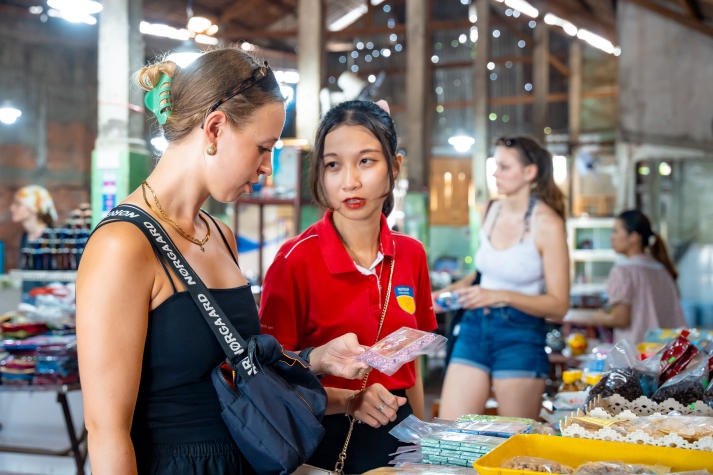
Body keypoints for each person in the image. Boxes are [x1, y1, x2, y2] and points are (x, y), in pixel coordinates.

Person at [75, 48, 369, 475]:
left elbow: (229, 369)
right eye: (263, 148)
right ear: (215, 128)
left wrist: (314, 359)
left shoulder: (220, 235)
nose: (268, 167)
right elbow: (106, 432)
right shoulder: (123, 245)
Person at [259, 99, 438, 473]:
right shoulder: (294, 260)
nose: (349, 181)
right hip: (322, 439)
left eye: (366, 161)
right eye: (333, 165)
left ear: (395, 166)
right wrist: (351, 400)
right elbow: (271, 381)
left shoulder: (411, 255)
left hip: (400, 434)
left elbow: (412, 365)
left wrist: (423, 446)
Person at [437, 136, 570, 421]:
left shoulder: (548, 224)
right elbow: (483, 274)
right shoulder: (490, 210)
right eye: (495, 166)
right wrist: (445, 294)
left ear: (529, 172)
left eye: (504, 167)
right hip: (473, 327)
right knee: (451, 433)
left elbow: (559, 305)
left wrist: (499, 295)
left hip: (519, 335)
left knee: (514, 441)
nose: (495, 173)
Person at [565, 209, 686, 345]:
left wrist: (594, 317)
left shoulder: (623, 271)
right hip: (667, 355)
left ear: (634, 237)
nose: (612, 237)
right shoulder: (662, 269)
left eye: (616, 231)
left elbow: (621, 319)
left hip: (636, 355)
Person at [9, 185, 58, 268]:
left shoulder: (51, 237)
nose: (12, 208)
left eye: (18, 204)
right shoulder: (25, 236)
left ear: (33, 207)